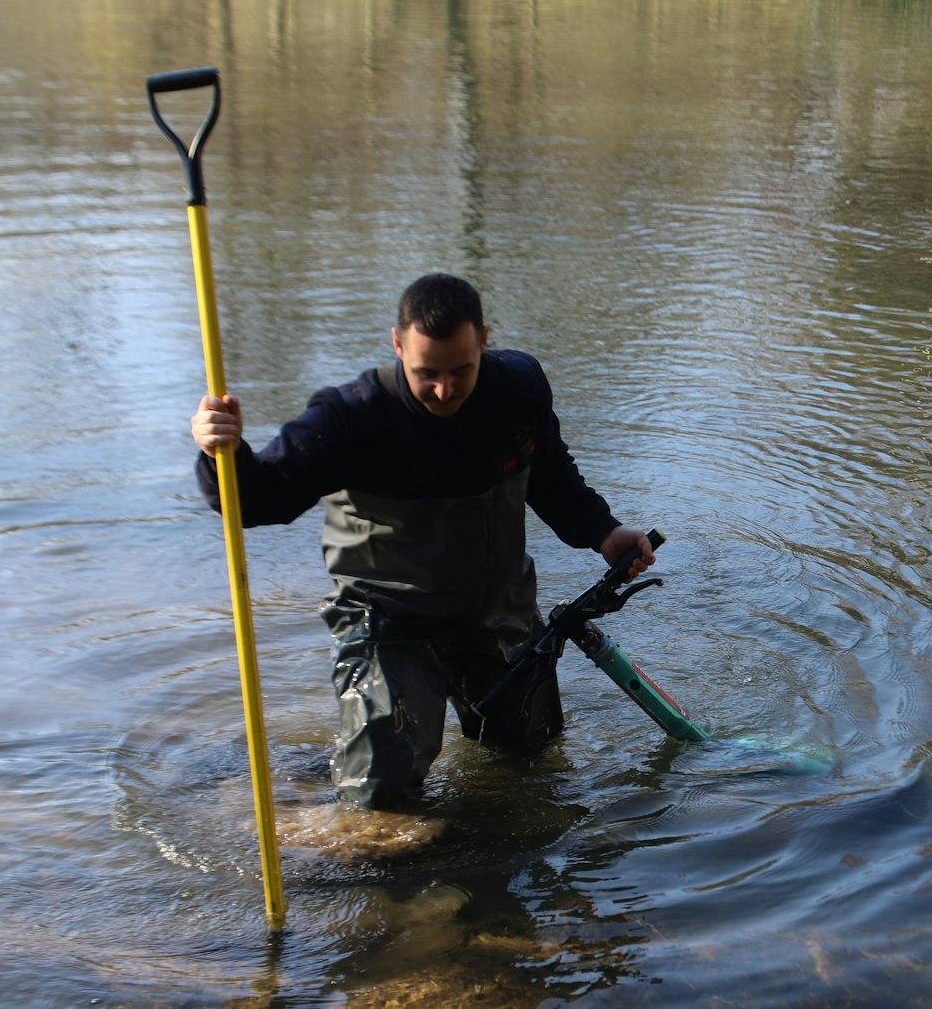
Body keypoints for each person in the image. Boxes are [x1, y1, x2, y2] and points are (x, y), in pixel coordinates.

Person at [191, 273, 654, 810]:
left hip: (497, 613)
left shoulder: (518, 389)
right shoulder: (350, 418)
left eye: (461, 371)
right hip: (391, 622)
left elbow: (550, 475)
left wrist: (603, 531)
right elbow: (256, 501)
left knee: (531, 763)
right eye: (425, 373)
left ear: (484, 340)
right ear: (397, 345)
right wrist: (220, 452)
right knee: (381, 794)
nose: (444, 391)